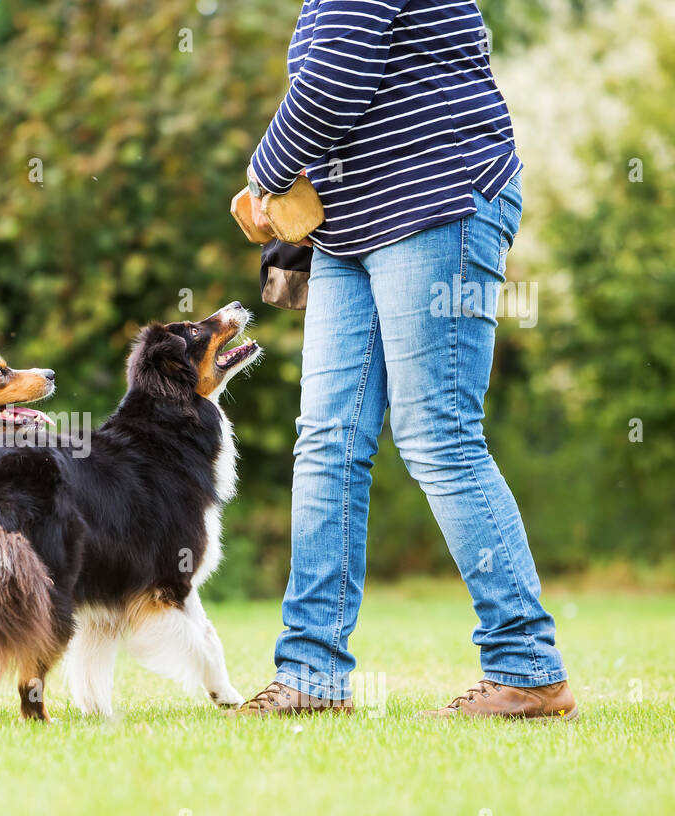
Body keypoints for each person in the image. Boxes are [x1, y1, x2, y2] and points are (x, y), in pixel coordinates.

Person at [228, 0, 575, 720]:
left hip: (433, 200)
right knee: (325, 440)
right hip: (351, 226)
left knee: (438, 434)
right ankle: (311, 674)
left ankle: (528, 668)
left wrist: (265, 174)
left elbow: (336, 77)